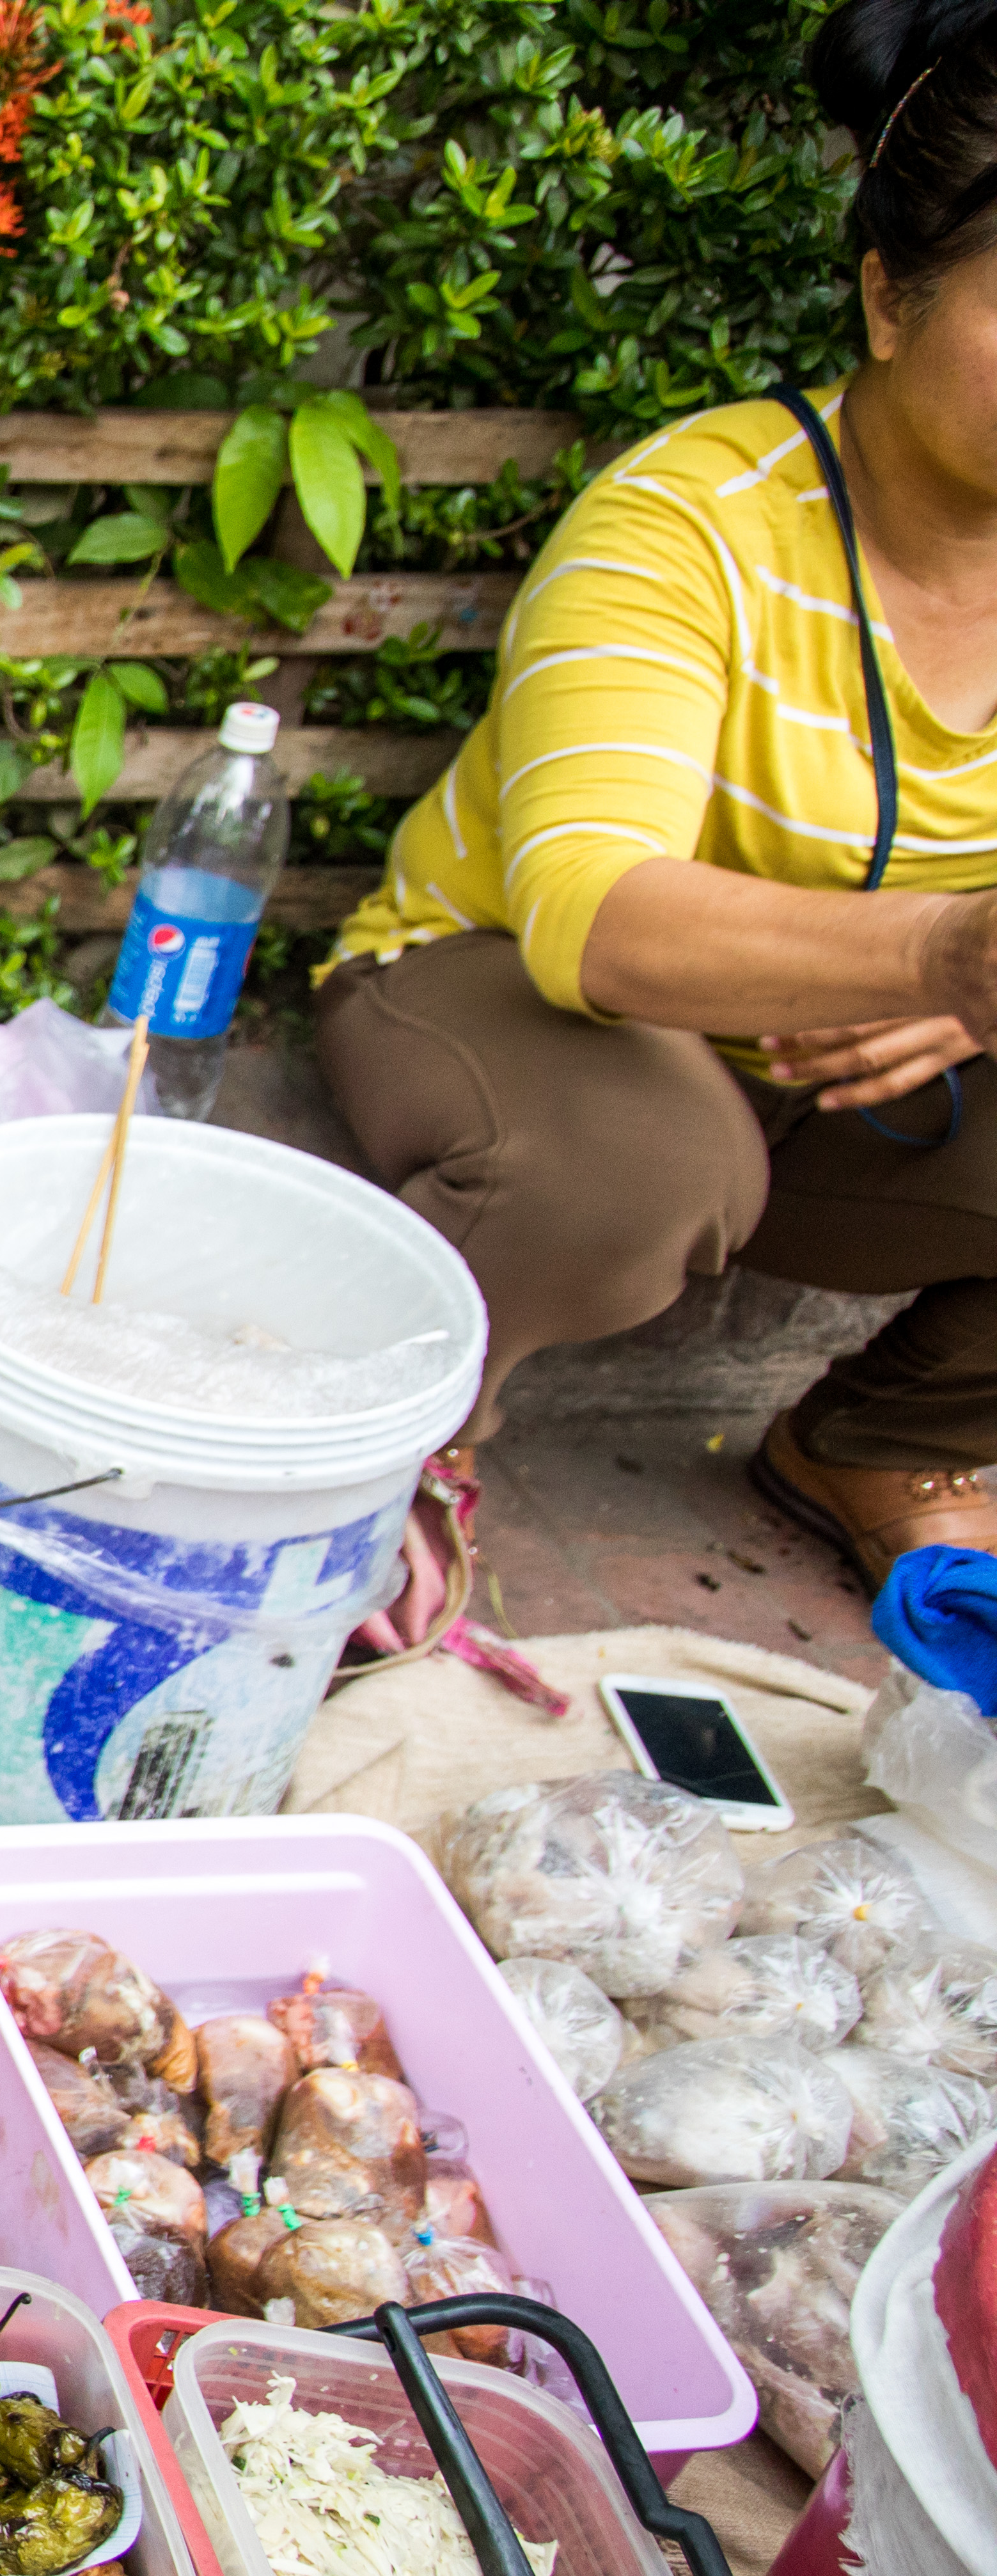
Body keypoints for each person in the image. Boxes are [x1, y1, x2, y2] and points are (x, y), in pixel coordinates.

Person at [320, 0, 997, 1620]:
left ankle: (889, 1436)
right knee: (637, 1156)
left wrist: (960, 1012)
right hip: (506, 1004)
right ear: (888, 300)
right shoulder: (689, 522)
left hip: (856, 1090)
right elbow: (593, 914)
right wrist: (944, 960)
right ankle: (372, 1462)